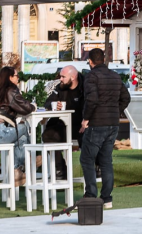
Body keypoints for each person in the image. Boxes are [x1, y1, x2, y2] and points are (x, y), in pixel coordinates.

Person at [81, 48, 130, 209]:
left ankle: (90, 194)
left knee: (87, 159)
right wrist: (116, 111)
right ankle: (106, 198)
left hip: (97, 123)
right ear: (104, 59)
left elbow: (92, 100)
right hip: (113, 124)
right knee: (106, 161)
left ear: (90, 61)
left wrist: (86, 119)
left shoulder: (91, 77)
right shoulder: (115, 76)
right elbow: (126, 97)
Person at [0, 66, 35, 187]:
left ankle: (20, 167)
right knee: (23, 128)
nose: (18, 78)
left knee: (19, 136)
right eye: (16, 76)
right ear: (10, 77)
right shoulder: (11, 90)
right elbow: (25, 108)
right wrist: (33, 105)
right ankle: (22, 164)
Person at [42, 65, 84, 180]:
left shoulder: (84, 87)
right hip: (62, 125)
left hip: (81, 126)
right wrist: (54, 105)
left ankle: (93, 169)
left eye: (63, 77)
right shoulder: (60, 88)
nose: (60, 79)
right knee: (48, 135)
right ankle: (60, 169)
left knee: (89, 139)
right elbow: (47, 103)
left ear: (73, 77)